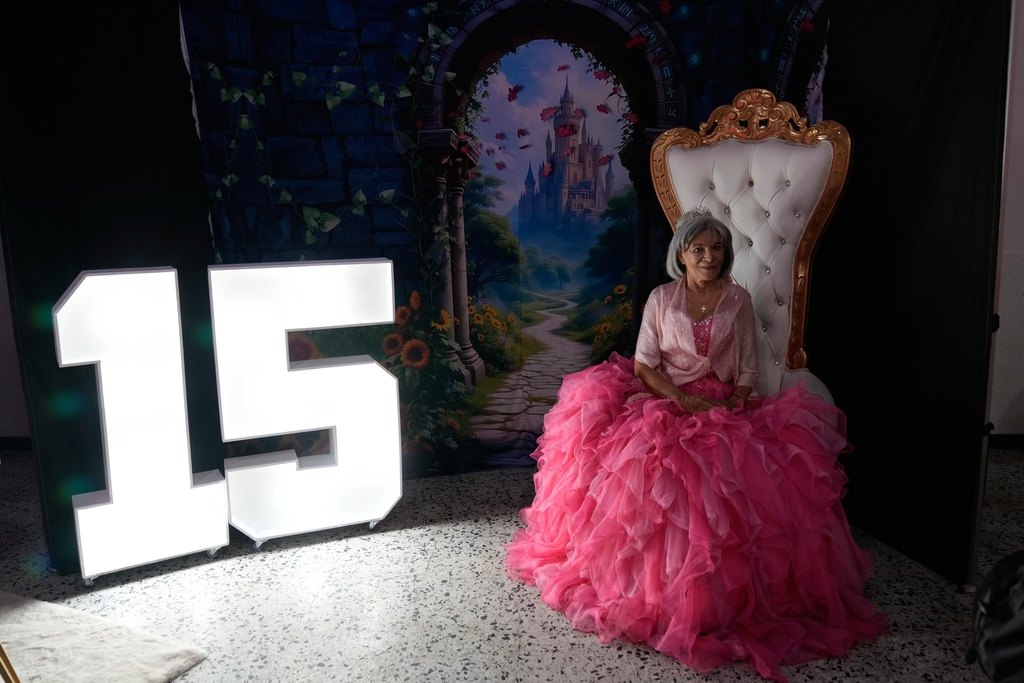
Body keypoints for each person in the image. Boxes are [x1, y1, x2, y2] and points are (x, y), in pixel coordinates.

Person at [505, 207, 887, 683]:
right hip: (665, 397)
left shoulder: (738, 300)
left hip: (722, 403)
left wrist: (734, 402)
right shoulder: (661, 300)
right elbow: (644, 364)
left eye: (717, 248)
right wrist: (680, 397)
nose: (709, 256)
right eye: (698, 248)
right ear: (681, 254)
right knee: (652, 468)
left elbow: (748, 369)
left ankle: (718, 599)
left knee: (737, 474)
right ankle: (652, 591)